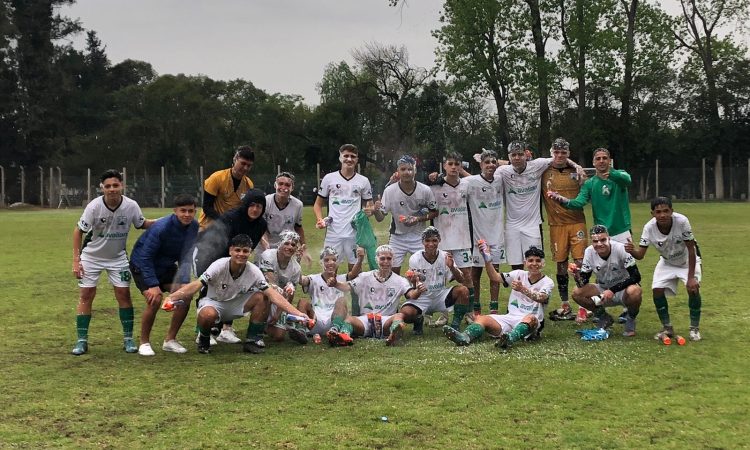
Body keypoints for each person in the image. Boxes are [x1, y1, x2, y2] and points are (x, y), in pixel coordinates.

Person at [164, 234, 309, 354]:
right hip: (214, 303)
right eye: (237, 250)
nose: (241, 254)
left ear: (250, 253)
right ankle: (204, 337)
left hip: (236, 304)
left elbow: (273, 295)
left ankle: (253, 340)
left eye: (245, 251)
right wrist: (172, 297)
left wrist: (298, 313)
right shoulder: (219, 265)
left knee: (263, 296)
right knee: (207, 315)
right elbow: (196, 285)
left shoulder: (254, 271)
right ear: (230, 251)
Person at [71, 169, 155, 355]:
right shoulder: (94, 207)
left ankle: (128, 339)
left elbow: (142, 224)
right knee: (86, 295)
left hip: (117, 258)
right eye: (107, 186)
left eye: (115, 185)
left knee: (123, 294)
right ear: (102, 188)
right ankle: (81, 341)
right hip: (91, 257)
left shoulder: (131, 206)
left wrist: (170, 220)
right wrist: (76, 261)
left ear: (122, 186)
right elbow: (78, 231)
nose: (112, 189)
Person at [546, 147, 633, 322]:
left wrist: (611, 174)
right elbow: (578, 203)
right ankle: (602, 307)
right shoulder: (590, 183)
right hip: (601, 234)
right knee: (603, 270)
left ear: (609, 160)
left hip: (622, 230)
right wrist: (561, 199)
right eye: (598, 158)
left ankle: (628, 309)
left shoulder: (620, 176)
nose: (601, 161)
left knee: (627, 270)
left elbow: (627, 180)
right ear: (593, 162)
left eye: (604, 158)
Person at [193, 189, 268, 344]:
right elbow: (216, 245)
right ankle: (201, 331)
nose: (255, 209)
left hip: (234, 258)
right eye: (252, 205)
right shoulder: (230, 218)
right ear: (246, 204)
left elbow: (249, 246)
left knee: (235, 287)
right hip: (208, 255)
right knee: (208, 291)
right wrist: (214, 271)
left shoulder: (261, 224)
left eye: (259, 206)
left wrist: (237, 268)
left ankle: (226, 330)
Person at [495, 140, 584, 271]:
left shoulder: (537, 165)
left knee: (535, 263)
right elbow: (488, 181)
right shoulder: (502, 171)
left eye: (520, 154)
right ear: (509, 156)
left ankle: (536, 285)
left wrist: (577, 166)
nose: (517, 157)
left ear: (526, 154)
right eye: (513, 155)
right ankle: (519, 285)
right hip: (512, 225)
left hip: (532, 225)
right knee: (516, 265)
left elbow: (558, 157)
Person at [443, 246, 553, 350]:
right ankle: (465, 337)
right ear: (525, 263)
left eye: (538, 261)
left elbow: (542, 298)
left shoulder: (547, 282)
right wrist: (487, 260)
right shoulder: (518, 274)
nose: (534, 264)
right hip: (510, 318)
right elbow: (494, 277)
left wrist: (523, 289)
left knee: (531, 318)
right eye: (531, 260)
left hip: (530, 322)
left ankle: (510, 339)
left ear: (543, 264)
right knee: (482, 318)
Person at [129, 194, 199, 356]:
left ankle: (170, 340)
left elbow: (186, 255)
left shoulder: (194, 226)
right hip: (142, 265)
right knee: (155, 299)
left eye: (191, 211)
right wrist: (153, 285)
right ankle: (144, 342)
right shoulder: (161, 227)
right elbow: (145, 257)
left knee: (185, 296)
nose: (187, 214)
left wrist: (184, 281)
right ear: (175, 211)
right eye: (183, 211)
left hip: (166, 266)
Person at [625, 197, 703, 341]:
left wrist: (691, 277)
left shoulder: (682, 221)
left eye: (666, 211)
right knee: (657, 290)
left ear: (672, 211)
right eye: (658, 212)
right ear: (652, 214)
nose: (662, 215)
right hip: (667, 262)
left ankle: (694, 328)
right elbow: (640, 255)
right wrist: (631, 250)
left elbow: (691, 249)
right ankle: (667, 327)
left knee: (693, 288)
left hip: (688, 260)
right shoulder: (649, 228)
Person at [326, 245, 422, 346]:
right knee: (349, 319)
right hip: (365, 320)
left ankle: (394, 334)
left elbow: (412, 295)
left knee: (399, 316)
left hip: (386, 320)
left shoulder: (400, 281)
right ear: (376, 259)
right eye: (382, 258)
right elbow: (347, 287)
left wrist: (418, 290)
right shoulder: (365, 277)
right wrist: (335, 284)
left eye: (389, 258)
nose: (386, 261)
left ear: (393, 260)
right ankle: (343, 336)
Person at [541, 138, 588, 321]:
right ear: (551, 153)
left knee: (580, 263)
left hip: (577, 223)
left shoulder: (577, 171)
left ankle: (583, 305)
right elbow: (517, 162)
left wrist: (576, 166)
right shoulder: (542, 170)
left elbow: (586, 191)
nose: (560, 155)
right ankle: (565, 304)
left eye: (563, 152)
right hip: (556, 225)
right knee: (561, 264)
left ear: (568, 154)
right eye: (556, 152)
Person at [427, 152, 473, 327]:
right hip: (442, 240)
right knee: (440, 278)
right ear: (444, 166)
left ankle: (469, 312)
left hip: (463, 238)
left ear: (461, 166)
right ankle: (444, 314)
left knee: (467, 276)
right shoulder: (434, 186)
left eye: (457, 164)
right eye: (450, 164)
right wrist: (429, 177)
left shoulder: (467, 184)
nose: (454, 167)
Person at [373, 154, 438, 275]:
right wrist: (376, 210)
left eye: (410, 169)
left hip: (419, 236)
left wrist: (418, 219)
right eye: (403, 169)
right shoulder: (390, 191)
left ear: (415, 171)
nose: (407, 172)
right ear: (398, 171)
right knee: (391, 273)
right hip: (397, 237)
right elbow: (380, 218)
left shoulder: (425, 190)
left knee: (423, 272)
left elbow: (434, 212)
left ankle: (418, 288)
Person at [571, 225, 642, 336]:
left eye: (603, 240)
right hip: (603, 289)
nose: (599, 244)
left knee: (635, 291)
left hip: (623, 290)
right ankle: (604, 317)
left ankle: (631, 318)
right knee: (577, 292)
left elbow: (636, 276)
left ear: (609, 238)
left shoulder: (621, 248)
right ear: (592, 242)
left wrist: (613, 290)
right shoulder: (589, 252)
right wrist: (577, 275)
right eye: (595, 241)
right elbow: (583, 282)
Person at [313, 144, 374, 269]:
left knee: (355, 270)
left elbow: (370, 205)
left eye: (353, 156)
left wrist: (370, 210)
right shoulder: (329, 178)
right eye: (346, 156)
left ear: (357, 160)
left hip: (355, 233)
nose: (349, 159)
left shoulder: (363, 181)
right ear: (340, 158)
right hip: (333, 233)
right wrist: (320, 219)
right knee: (330, 268)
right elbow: (318, 204)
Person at [402, 227, 470, 333]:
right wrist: (414, 280)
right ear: (422, 242)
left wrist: (452, 267)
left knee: (463, 290)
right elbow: (414, 286)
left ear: (439, 241)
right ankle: (418, 320)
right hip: (423, 297)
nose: (431, 244)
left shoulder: (445, 256)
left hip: (440, 296)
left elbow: (461, 279)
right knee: (405, 313)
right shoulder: (415, 258)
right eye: (427, 240)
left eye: (434, 240)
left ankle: (455, 324)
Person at [464, 149, 505, 318]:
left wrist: (499, 162)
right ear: (480, 165)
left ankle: (494, 309)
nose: (491, 165)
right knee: (476, 273)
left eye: (494, 162)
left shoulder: (501, 179)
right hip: (478, 236)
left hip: (497, 235)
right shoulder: (470, 181)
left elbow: (515, 165)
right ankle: (476, 308)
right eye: (487, 162)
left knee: (495, 272)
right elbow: (453, 180)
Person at [297, 246, 365, 339]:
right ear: (321, 262)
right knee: (302, 302)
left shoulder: (342, 278)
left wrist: (360, 259)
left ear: (338, 263)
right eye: (326, 260)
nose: (331, 262)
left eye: (334, 260)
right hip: (315, 320)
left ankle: (334, 330)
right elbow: (301, 280)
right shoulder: (313, 278)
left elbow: (354, 273)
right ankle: (301, 330)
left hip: (335, 320)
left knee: (341, 300)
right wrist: (297, 261)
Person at [259, 231, 306, 344]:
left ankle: (272, 325)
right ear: (280, 244)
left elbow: (290, 294)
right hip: (262, 293)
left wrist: (278, 314)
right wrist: (283, 293)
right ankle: (258, 327)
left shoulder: (296, 268)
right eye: (286, 243)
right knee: (266, 294)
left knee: (279, 336)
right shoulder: (267, 256)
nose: (290, 247)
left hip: (280, 299)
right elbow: (270, 285)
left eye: (293, 245)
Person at [198, 146, 255, 231]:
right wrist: (223, 221)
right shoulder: (216, 178)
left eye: (249, 165)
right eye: (243, 163)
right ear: (235, 159)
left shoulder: (249, 185)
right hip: (208, 226)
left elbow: (244, 210)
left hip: (230, 228)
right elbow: (207, 207)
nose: (245, 168)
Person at [262, 171, 311, 263]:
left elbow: (298, 227)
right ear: (275, 185)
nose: (284, 188)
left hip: (287, 245)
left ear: (292, 188)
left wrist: (304, 248)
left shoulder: (298, 205)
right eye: (280, 184)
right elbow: (261, 227)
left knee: (289, 270)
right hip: (266, 244)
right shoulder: (266, 201)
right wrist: (266, 245)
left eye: (287, 185)